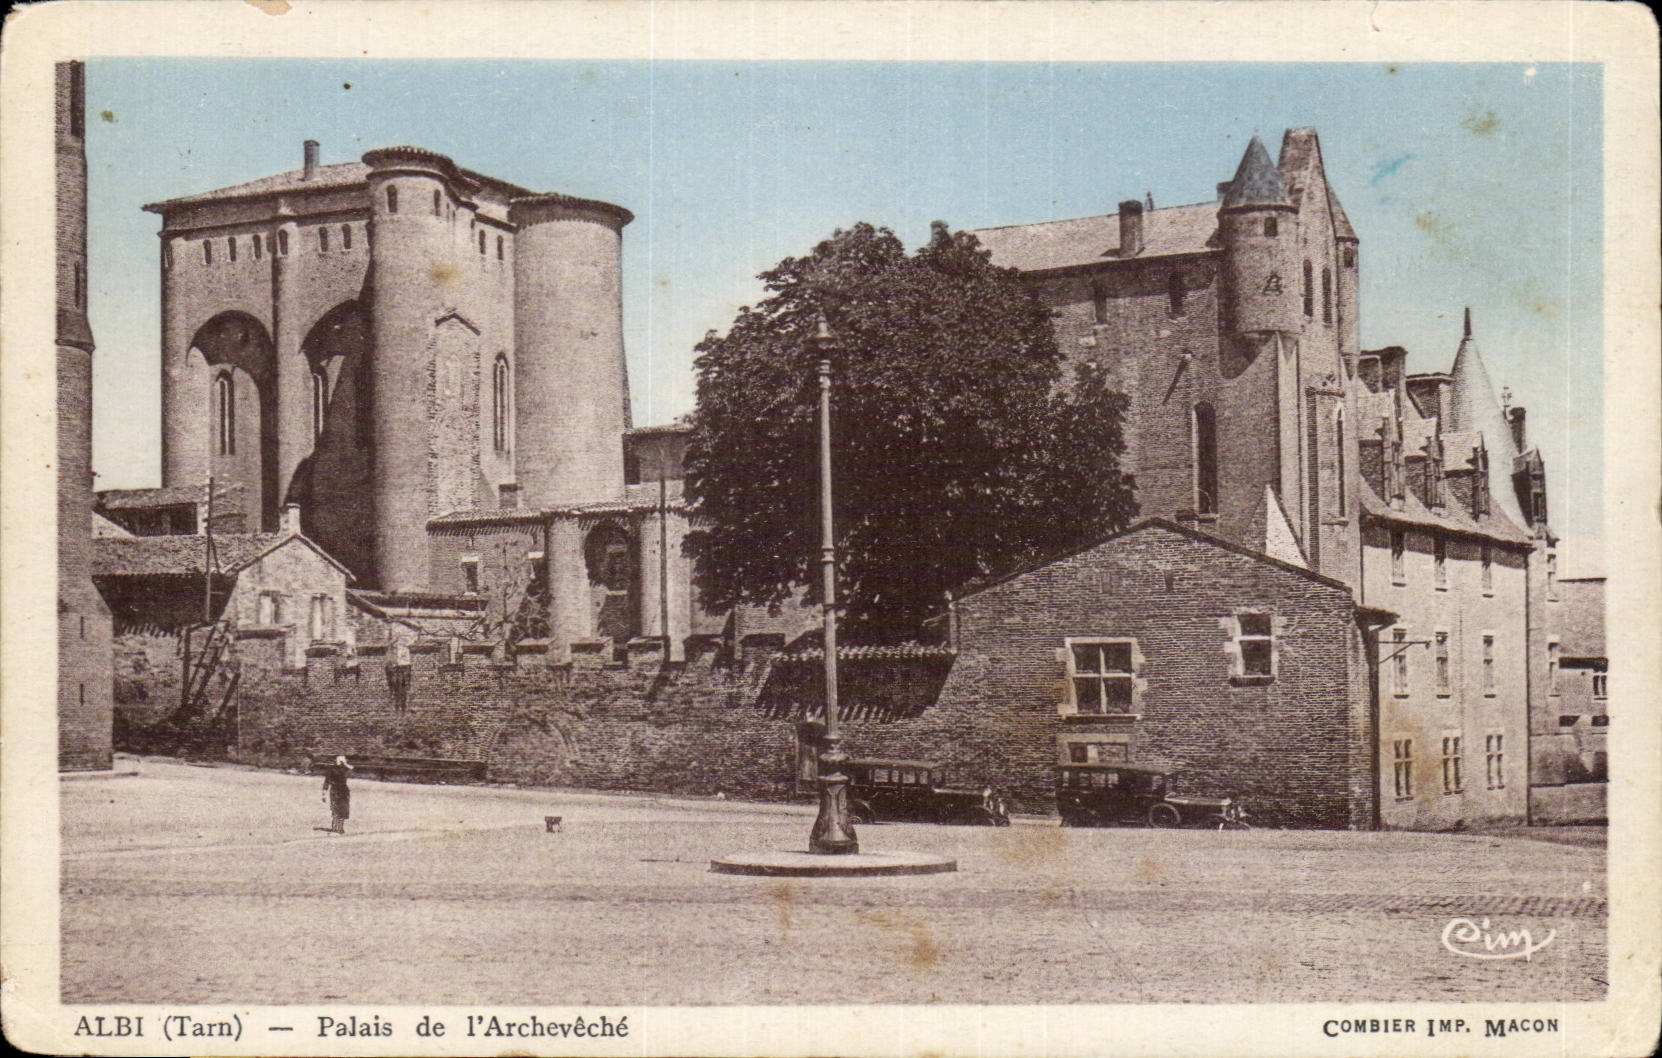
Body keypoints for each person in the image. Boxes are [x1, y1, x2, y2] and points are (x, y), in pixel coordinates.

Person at [321, 755, 352, 834]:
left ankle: (336, 827)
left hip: (338, 790)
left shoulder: (333, 769)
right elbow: (351, 769)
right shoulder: (341, 769)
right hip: (340, 790)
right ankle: (338, 828)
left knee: (338, 809)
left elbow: (326, 782)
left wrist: (324, 793)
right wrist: (345, 763)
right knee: (340, 809)